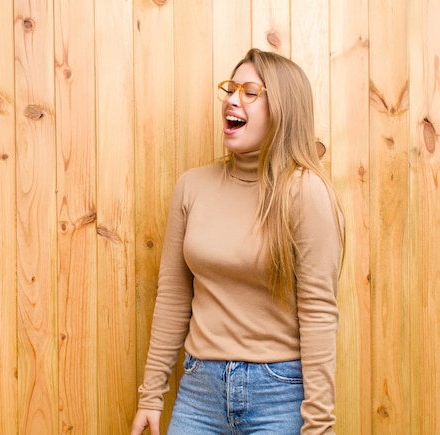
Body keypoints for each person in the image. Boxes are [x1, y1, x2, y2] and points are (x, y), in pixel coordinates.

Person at [131, 48, 345, 435]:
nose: (232, 99)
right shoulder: (192, 186)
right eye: (231, 89)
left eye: (250, 92)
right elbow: (173, 296)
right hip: (199, 393)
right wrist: (151, 395)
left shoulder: (305, 192)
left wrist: (319, 425)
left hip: (279, 396)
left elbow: (318, 312)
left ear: (283, 108)